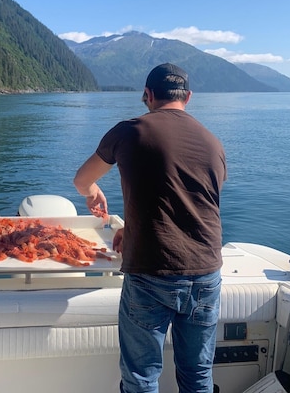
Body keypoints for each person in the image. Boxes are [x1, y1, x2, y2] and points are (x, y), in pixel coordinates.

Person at [73, 63, 226, 393]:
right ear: (188, 97)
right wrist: (131, 229)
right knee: (198, 375)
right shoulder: (213, 143)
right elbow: (192, 209)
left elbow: (81, 180)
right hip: (206, 274)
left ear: (148, 94)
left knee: (141, 377)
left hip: (151, 274)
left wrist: (93, 193)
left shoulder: (130, 131)